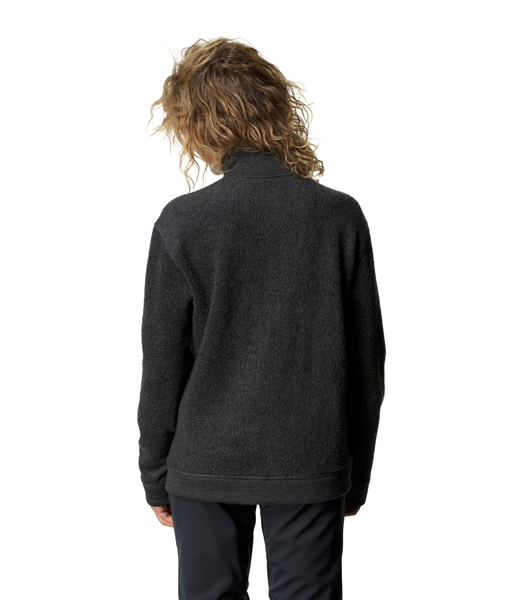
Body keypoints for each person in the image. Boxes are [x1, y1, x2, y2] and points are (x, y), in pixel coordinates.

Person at [137, 37, 387, 600]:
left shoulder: (183, 222)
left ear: (196, 124)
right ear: (277, 107)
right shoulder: (338, 217)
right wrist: (355, 471)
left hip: (204, 460)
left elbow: (163, 363)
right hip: (310, 456)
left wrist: (156, 472)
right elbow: (367, 365)